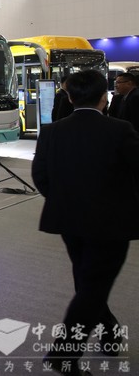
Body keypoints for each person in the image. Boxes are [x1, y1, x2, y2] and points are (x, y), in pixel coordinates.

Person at [31, 69, 139, 376]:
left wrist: (65, 201)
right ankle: (63, 355)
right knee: (94, 285)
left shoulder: (52, 131)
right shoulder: (120, 129)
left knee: (87, 278)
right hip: (111, 222)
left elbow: (41, 176)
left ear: (68, 97)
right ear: (104, 97)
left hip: (68, 220)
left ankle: (109, 333)